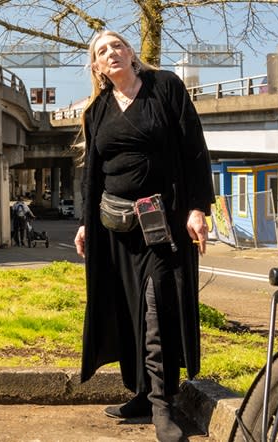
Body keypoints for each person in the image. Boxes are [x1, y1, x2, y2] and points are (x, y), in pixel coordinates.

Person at [72, 31, 214, 442]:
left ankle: (163, 405)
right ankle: (140, 393)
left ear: (132, 53)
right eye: (102, 51)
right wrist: (85, 223)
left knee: (157, 307)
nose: (111, 53)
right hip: (115, 227)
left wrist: (196, 208)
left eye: (117, 46)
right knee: (126, 307)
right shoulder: (97, 109)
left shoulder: (165, 87)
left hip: (162, 223)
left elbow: (194, 150)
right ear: (97, 67)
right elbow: (93, 174)